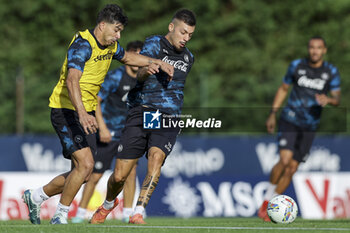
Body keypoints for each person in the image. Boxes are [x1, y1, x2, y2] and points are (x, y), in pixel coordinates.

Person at [22, 4, 173, 225]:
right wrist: (82, 113)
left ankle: (36, 196)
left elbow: (130, 58)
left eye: (120, 31)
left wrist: (155, 62)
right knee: (86, 166)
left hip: (86, 112)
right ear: (102, 25)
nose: (118, 35)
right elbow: (72, 80)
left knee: (81, 173)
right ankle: (60, 216)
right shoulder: (83, 45)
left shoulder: (110, 47)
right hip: (67, 110)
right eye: (116, 29)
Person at [89, 9, 196, 225]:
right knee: (119, 175)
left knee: (156, 158)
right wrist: (148, 69)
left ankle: (138, 212)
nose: (186, 38)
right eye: (183, 32)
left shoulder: (188, 57)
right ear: (171, 27)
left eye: (190, 35)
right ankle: (109, 204)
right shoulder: (154, 44)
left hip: (168, 117)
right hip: (142, 111)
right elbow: (138, 73)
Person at [258, 36, 341, 222]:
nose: (314, 51)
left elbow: (337, 98)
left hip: (309, 126)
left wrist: (329, 100)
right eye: (312, 47)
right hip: (290, 119)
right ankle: (265, 204)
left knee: (292, 168)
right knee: (285, 160)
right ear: (308, 49)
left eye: (318, 48)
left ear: (324, 50)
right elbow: (283, 89)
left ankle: (272, 205)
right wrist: (273, 113)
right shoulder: (297, 66)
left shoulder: (331, 71)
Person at [71, 40, 144, 223]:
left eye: (141, 56)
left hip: (129, 134)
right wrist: (102, 127)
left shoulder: (143, 79)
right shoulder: (115, 76)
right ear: (129, 56)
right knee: (94, 175)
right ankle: (80, 213)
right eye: (135, 55)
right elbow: (97, 100)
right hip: (108, 134)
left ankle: (128, 213)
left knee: (130, 172)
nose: (137, 60)